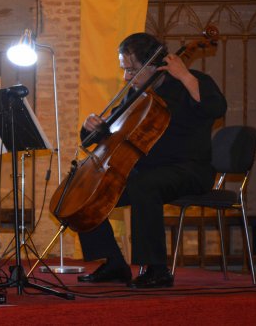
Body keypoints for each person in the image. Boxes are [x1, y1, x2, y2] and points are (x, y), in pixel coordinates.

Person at [75, 32, 227, 289]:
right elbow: (109, 131)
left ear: (154, 65)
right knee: (85, 189)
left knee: (144, 185)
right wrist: (92, 127)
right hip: (146, 170)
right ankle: (113, 263)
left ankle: (157, 269)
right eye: (124, 70)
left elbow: (216, 109)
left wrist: (185, 76)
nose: (126, 77)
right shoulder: (135, 94)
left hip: (190, 169)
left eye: (132, 70)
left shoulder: (193, 82)